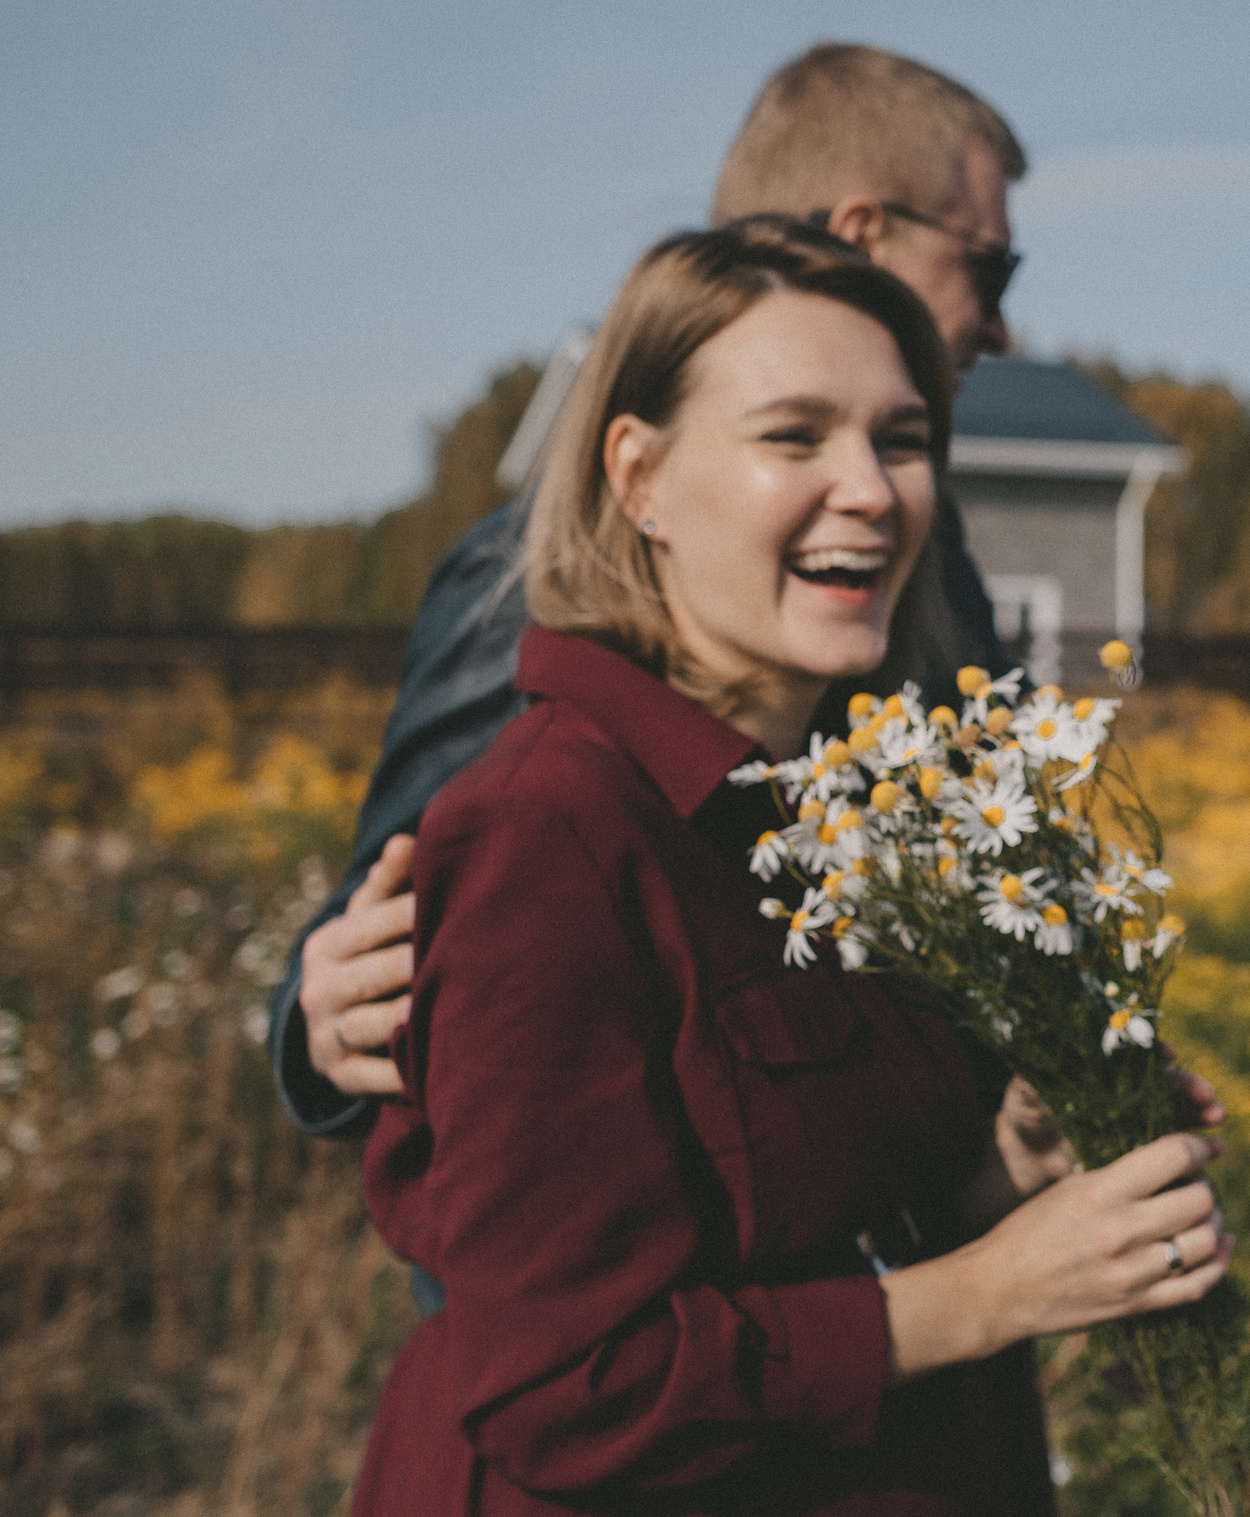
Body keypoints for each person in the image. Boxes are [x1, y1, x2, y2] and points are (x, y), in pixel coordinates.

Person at [334, 219, 1233, 1517]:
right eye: (793, 436)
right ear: (639, 477)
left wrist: (1017, 1176)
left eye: (901, 437)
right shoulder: (549, 831)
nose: (872, 492)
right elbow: (568, 1373)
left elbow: (805, 1203)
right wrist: (994, 1289)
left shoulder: (851, 803)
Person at [269, 44, 1033, 1145]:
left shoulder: (921, 531)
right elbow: (405, 947)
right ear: (863, 232)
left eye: (897, 445)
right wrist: (317, 1016)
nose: (1004, 329)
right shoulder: (534, 571)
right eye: (989, 270)